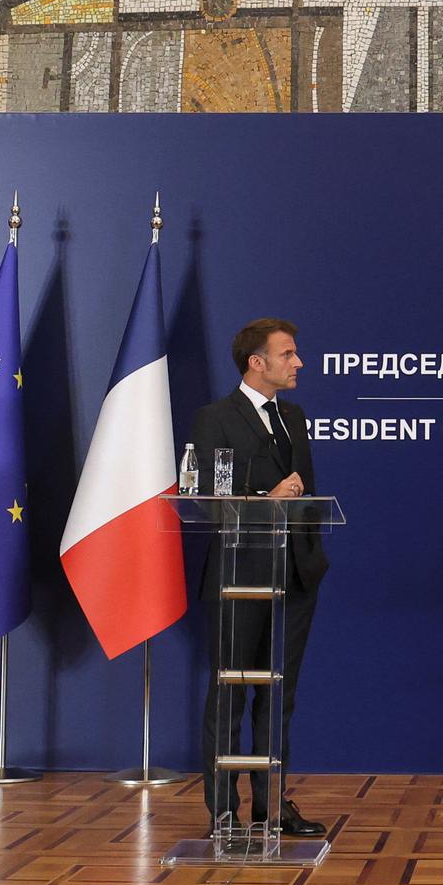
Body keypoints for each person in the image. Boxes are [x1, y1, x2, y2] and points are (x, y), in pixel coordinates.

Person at [191, 318, 329, 837]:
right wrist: (263, 501)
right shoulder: (215, 418)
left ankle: (271, 806)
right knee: (230, 692)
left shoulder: (293, 416)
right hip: (239, 572)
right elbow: (207, 498)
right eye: (288, 354)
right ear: (257, 362)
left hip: (294, 572)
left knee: (278, 694)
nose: (298, 363)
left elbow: (306, 491)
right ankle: (223, 812)